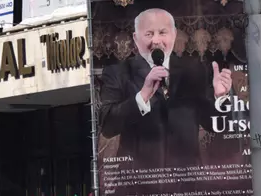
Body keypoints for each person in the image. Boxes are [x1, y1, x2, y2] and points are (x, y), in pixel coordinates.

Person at [97, 8, 233, 170]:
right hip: (137, 184)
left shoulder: (193, 70)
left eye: (162, 32)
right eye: (149, 34)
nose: (156, 40)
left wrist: (221, 97)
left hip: (187, 181)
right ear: (136, 38)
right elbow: (108, 127)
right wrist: (142, 97)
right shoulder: (119, 73)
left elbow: (213, 124)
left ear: (174, 34)